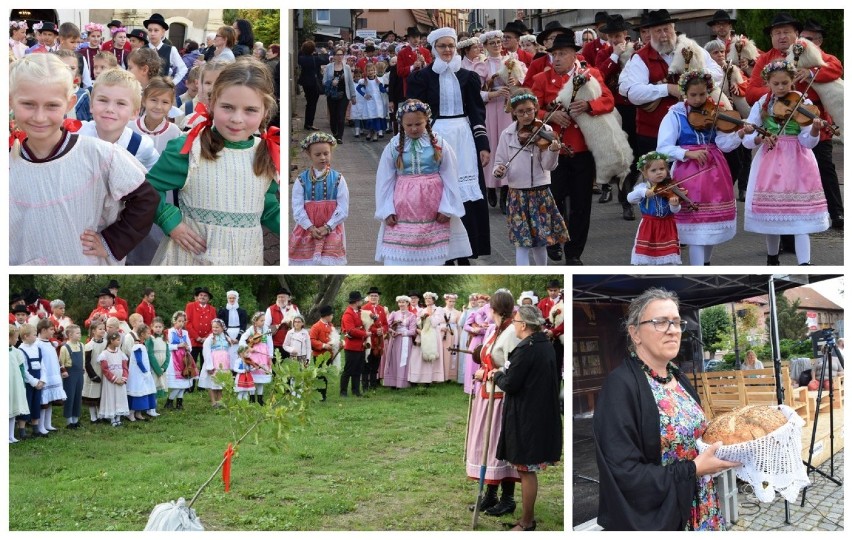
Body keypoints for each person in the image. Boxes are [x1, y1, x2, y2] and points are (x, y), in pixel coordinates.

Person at [594, 287, 739, 530]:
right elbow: (623, 472)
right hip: (663, 518)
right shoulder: (620, 386)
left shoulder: (678, 377)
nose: (672, 330)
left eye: (676, 322)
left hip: (702, 506)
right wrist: (693, 469)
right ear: (635, 333)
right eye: (660, 322)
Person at [9, 54, 158, 266]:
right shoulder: (8, 166)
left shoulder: (100, 154)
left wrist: (111, 241)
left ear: (69, 103)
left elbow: (146, 200)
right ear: (10, 101)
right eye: (28, 104)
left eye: (52, 105)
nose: (39, 117)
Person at [147, 59, 280, 266]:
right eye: (227, 107)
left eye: (250, 110)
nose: (237, 119)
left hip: (245, 259)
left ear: (265, 111)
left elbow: (269, 206)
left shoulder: (267, 153)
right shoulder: (187, 149)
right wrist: (169, 221)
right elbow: (148, 190)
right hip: (188, 258)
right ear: (211, 103)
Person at [746, 13, 843, 232]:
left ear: (796, 34)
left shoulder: (807, 48)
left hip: (811, 121)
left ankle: (835, 212)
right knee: (785, 183)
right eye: (777, 32)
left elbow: (835, 67)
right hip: (781, 132)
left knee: (824, 168)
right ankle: (786, 230)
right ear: (771, 37)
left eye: (786, 32)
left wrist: (810, 73)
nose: (782, 36)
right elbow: (751, 91)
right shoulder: (766, 59)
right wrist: (780, 89)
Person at [407, 27, 490, 265]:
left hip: (464, 138)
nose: (447, 50)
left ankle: (464, 250)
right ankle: (440, 249)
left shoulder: (468, 77)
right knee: (437, 192)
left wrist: (482, 144)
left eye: (451, 46)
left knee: (466, 195)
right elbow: (415, 112)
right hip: (435, 136)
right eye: (442, 46)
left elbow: (476, 113)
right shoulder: (422, 78)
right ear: (434, 48)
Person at [530, 33, 614, 265]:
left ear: (573, 55)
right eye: (553, 54)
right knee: (553, 201)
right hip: (552, 150)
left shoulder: (591, 75)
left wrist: (589, 105)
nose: (556, 58)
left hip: (582, 149)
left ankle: (574, 253)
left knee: (581, 204)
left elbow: (608, 100)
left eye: (562, 54)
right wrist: (549, 114)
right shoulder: (541, 79)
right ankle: (554, 242)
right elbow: (526, 111)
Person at [741, 60, 829, 265]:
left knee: (801, 218)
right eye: (776, 83)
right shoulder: (762, 103)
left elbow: (808, 142)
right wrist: (758, 138)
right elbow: (747, 139)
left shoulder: (803, 103)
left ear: (792, 82)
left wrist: (815, 129)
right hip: (770, 161)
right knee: (772, 216)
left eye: (785, 83)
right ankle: (772, 258)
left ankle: (805, 263)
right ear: (768, 83)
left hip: (799, 162)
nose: (781, 88)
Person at [657, 70, 740, 265]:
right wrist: (686, 153)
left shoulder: (715, 111)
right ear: (685, 93)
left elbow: (725, 144)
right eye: (693, 95)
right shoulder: (675, 113)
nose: (698, 99)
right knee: (695, 229)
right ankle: (698, 266)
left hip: (715, 171)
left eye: (702, 94)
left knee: (710, 228)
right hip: (688, 173)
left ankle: (706, 264)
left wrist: (740, 134)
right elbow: (662, 148)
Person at [491, 305, 562, 531]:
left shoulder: (527, 349)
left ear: (523, 325)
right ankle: (526, 519)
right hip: (538, 413)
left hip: (528, 416)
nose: (513, 324)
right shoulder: (544, 345)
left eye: (515, 321)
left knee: (525, 470)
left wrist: (497, 375)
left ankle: (527, 521)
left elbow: (511, 384)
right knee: (525, 468)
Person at [374, 99, 470, 265]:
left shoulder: (438, 143)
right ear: (401, 124)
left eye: (418, 124)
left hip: (433, 208)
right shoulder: (394, 146)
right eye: (408, 125)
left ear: (427, 121)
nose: (413, 128)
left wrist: (447, 208)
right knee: (399, 257)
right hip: (403, 209)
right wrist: (386, 210)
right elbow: (384, 181)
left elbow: (450, 176)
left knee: (433, 258)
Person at [492, 89, 569, 266]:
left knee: (541, 244)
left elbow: (549, 166)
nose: (526, 115)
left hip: (540, 193)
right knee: (522, 244)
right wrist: (499, 171)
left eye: (529, 110)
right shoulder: (507, 134)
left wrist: (553, 151)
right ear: (514, 112)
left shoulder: (545, 130)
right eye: (521, 112)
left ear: (535, 108)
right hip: (517, 194)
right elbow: (499, 162)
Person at [593, 14, 641, 220]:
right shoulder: (603, 53)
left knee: (639, 153)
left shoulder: (637, 51)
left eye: (619, 35)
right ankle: (625, 200)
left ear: (626, 34)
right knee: (623, 156)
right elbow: (598, 76)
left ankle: (633, 190)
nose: (615, 39)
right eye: (612, 35)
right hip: (617, 109)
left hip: (639, 107)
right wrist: (614, 56)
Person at [290, 132, 349, 265]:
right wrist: (310, 228)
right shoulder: (301, 180)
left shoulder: (338, 179)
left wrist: (328, 227)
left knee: (329, 263)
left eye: (326, 153)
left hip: (332, 228)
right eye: (318, 155)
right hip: (307, 229)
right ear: (309, 154)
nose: (323, 158)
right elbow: (297, 208)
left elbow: (343, 208)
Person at [480, 29, 515, 212]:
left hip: (506, 109)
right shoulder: (482, 65)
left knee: (507, 146)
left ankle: (506, 189)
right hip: (490, 109)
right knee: (491, 146)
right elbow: (476, 92)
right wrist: (492, 93)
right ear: (485, 46)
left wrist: (514, 84)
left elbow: (520, 82)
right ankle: (490, 186)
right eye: (492, 43)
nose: (496, 45)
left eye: (498, 42)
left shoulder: (510, 61)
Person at [627, 152, 682, 265]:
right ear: (645, 173)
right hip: (649, 225)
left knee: (669, 257)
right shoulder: (642, 187)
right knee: (647, 256)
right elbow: (630, 198)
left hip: (668, 225)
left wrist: (674, 205)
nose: (659, 172)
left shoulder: (671, 187)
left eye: (662, 169)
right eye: (653, 170)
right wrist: (643, 192)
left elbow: (675, 211)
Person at [17, 324, 47, 437]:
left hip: (39, 381)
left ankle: (36, 429)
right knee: (26, 404)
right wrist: (34, 382)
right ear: (26, 336)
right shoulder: (20, 350)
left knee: (36, 404)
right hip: (28, 383)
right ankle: (22, 430)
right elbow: (23, 370)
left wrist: (42, 380)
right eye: (34, 335)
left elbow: (42, 366)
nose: (36, 337)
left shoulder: (37, 349)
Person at [36, 319, 66, 432]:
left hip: (54, 374)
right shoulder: (38, 344)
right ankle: (40, 426)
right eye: (51, 329)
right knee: (44, 402)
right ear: (43, 330)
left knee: (50, 401)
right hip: (45, 376)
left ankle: (48, 424)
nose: (53, 332)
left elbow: (54, 359)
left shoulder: (50, 343)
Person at [323, 48, 357, 144]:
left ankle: (340, 137)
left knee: (340, 115)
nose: (339, 57)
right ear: (333, 56)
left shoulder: (347, 67)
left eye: (341, 55)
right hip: (332, 95)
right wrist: (331, 82)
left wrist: (353, 96)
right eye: (337, 55)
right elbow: (324, 81)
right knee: (333, 116)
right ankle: (334, 133)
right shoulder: (329, 67)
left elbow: (350, 82)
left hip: (344, 95)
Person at [240, 312, 274, 405]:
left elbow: (270, 343)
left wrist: (270, 356)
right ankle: (251, 397)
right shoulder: (251, 329)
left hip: (263, 355)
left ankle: (260, 398)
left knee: (261, 377)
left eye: (264, 320)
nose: (263, 322)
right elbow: (242, 340)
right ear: (255, 321)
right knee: (253, 376)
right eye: (261, 320)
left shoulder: (267, 330)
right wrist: (248, 348)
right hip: (253, 356)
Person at [383, 295, 416, 389]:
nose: (401, 304)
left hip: (405, 340)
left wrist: (401, 333)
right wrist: (392, 331)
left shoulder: (412, 316)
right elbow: (387, 326)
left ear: (407, 303)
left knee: (404, 359)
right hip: (395, 340)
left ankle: (402, 382)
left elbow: (413, 331)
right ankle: (392, 382)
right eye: (400, 302)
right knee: (394, 359)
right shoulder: (394, 314)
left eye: (403, 302)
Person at [144, 13, 187, 85]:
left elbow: (183, 69)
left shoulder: (171, 50)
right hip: (145, 91)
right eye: (150, 30)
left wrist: (172, 83)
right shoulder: (141, 50)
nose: (152, 33)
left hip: (163, 92)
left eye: (156, 30)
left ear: (163, 32)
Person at [340, 291, 369, 397]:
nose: (361, 302)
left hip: (360, 345)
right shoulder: (348, 314)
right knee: (348, 370)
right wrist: (365, 333)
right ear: (356, 301)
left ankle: (356, 390)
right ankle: (343, 391)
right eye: (360, 300)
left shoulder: (359, 312)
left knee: (358, 369)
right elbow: (351, 330)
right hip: (351, 346)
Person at [165, 311, 195, 410]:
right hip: (174, 359)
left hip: (185, 359)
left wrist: (188, 348)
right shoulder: (169, 332)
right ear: (174, 321)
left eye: (183, 321)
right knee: (178, 383)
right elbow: (167, 346)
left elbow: (190, 345)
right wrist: (178, 345)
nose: (181, 323)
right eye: (179, 321)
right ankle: (169, 401)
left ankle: (179, 403)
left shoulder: (185, 332)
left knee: (184, 382)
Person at [128, 323, 158, 420]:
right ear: (142, 334)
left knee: (143, 392)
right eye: (148, 333)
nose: (149, 335)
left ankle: (138, 412)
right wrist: (145, 371)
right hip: (138, 374)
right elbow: (139, 361)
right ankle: (131, 412)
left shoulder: (143, 344)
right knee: (137, 391)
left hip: (143, 374)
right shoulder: (137, 346)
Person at [362, 287, 389, 391]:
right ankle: (365, 386)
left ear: (379, 298)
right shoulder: (364, 308)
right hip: (369, 340)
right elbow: (364, 324)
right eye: (372, 295)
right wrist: (374, 330)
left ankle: (373, 385)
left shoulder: (381, 309)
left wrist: (383, 329)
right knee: (367, 363)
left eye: (376, 296)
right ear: (368, 297)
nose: (374, 297)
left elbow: (386, 324)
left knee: (376, 364)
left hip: (379, 341)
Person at [199, 319, 230, 408]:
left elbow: (229, 351)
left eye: (217, 327)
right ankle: (213, 401)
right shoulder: (210, 339)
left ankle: (220, 401)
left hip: (223, 364)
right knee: (212, 383)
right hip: (213, 364)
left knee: (221, 383)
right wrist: (209, 366)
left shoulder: (226, 338)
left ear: (222, 328)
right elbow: (206, 352)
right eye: (213, 327)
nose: (215, 329)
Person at [309, 305, 337, 401]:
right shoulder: (316, 326)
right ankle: (319, 395)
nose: (332, 316)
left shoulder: (331, 326)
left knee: (326, 374)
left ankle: (323, 394)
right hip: (319, 355)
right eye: (331, 315)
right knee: (320, 375)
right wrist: (324, 345)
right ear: (326, 316)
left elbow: (334, 337)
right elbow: (312, 340)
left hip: (329, 354)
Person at [59, 324, 84, 429]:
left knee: (78, 396)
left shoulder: (82, 345)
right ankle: (69, 421)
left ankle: (75, 419)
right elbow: (61, 362)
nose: (80, 335)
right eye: (77, 333)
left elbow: (83, 359)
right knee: (70, 396)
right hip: (70, 374)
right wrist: (64, 371)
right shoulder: (65, 348)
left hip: (79, 374)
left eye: (80, 333)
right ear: (69, 334)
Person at [9, 326, 32, 442]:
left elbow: (21, 368)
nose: (17, 340)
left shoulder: (16, 351)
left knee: (13, 409)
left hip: (15, 384)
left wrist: (22, 381)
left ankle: (11, 435)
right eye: (16, 337)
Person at [81, 320, 107, 423]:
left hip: (103, 372)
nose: (102, 331)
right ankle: (93, 417)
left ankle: (101, 414)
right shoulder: (89, 345)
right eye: (100, 329)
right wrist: (93, 376)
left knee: (101, 394)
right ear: (93, 331)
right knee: (92, 395)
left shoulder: (105, 343)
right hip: (93, 372)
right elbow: (87, 363)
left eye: (103, 329)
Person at [265, 289, 300, 361]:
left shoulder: (294, 308)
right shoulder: (270, 309)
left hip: (291, 344)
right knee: (275, 367)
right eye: (279, 297)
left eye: (283, 297)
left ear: (288, 298)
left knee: (290, 368)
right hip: (276, 344)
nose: (281, 299)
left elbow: (299, 324)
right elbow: (265, 327)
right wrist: (267, 342)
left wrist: (291, 324)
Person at [356, 63, 388, 141]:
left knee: (376, 118)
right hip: (369, 101)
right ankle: (370, 132)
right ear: (366, 72)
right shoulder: (364, 81)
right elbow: (358, 88)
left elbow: (381, 89)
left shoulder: (378, 81)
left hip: (377, 102)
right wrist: (364, 95)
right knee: (370, 118)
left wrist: (387, 90)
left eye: (372, 70)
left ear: (375, 71)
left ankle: (376, 134)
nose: (371, 72)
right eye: (369, 71)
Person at [297, 40, 325, 130]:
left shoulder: (301, 58)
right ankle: (309, 123)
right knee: (312, 104)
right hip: (314, 83)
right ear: (313, 49)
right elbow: (326, 60)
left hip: (305, 83)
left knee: (309, 102)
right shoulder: (315, 58)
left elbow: (299, 54)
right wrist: (324, 52)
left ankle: (307, 123)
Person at [218, 291, 247, 368]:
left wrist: (238, 338)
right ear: (227, 299)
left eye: (233, 298)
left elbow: (243, 325)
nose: (232, 300)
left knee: (238, 353)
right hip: (227, 334)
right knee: (228, 354)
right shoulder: (222, 311)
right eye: (230, 298)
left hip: (239, 334)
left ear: (237, 298)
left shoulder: (242, 312)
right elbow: (221, 325)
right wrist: (227, 337)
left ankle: (238, 372)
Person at [436, 293, 462, 382]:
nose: (452, 303)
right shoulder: (440, 311)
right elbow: (435, 323)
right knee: (442, 352)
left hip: (452, 333)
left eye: (453, 301)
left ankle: (449, 375)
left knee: (451, 352)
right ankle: (440, 374)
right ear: (446, 301)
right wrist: (441, 327)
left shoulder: (457, 312)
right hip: (442, 332)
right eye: (450, 301)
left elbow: (459, 325)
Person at [146, 317, 169, 401]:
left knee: (160, 385)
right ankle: (151, 408)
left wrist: (164, 367)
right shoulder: (150, 339)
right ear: (152, 327)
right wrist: (158, 370)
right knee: (153, 386)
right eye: (156, 327)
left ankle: (154, 407)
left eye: (160, 327)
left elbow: (168, 354)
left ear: (163, 327)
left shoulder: (164, 339)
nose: (158, 329)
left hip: (162, 368)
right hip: (154, 368)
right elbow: (150, 355)